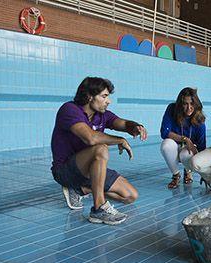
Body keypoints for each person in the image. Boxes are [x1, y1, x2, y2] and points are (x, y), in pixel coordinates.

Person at [51, 77, 148, 225]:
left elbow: (122, 123)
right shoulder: (69, 110)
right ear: (89, 96)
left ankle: (81, 189)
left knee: (130, 196)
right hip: (65, 169)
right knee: (101, 148)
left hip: (90, 170)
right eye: (104, 96)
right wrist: (120, 140)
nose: (108, 101)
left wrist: (135, 126)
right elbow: (90, 138)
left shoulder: (102, 115)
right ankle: (99, 209)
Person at [160, 87, 206, 189]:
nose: (189, 107)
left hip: (188, 150)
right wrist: (185, 139)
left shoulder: (199, 119)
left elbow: (202, 146)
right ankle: (176, 174)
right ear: (180, 104)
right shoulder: (172, 109)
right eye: (185, 104)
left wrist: (205, 173)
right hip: (175, 145)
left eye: (191, 103)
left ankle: (188, 171)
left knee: (186, 153)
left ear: (196, 104)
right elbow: (164, 132)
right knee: (166, 145)